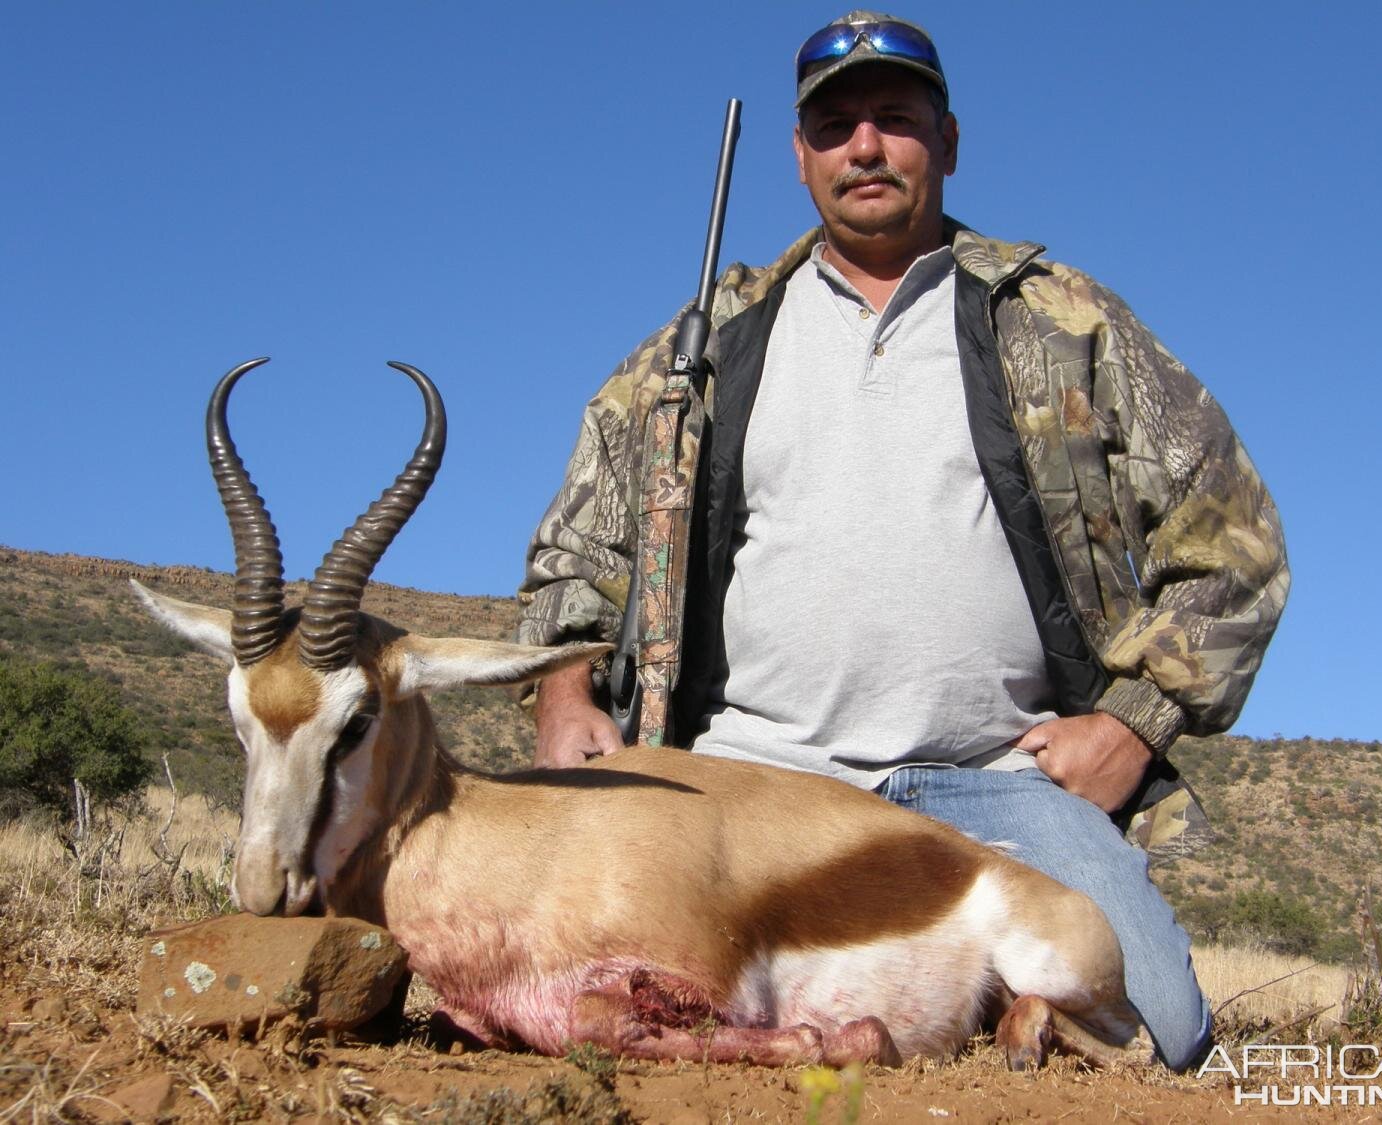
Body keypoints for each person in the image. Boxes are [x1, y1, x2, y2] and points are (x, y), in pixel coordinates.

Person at [516, 11, 1289, 1072]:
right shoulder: (702, 350)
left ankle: (954, 1007)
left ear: (950, 141)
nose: (865, 147)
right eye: (835, 127)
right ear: (798, 158)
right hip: (750, 775)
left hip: (999, 782)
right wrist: (566, 692)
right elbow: (574, 560)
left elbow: (1235, 543)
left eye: (894, 119)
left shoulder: (1061, 321)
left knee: (1162, 1031)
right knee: (574, 983)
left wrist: (1133, 723)